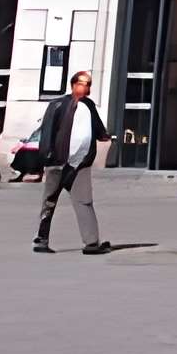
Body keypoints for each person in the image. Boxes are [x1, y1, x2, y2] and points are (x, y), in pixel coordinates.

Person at [33, 70, 114, 255]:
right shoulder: (58, 104)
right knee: (49, 201)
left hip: (80, 164)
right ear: (73, 85)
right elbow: (47, 131)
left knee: (84, 201)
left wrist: (105, 136)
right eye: (82, 83)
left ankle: (91, 243)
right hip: (58, 161)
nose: (86, 87)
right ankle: (41, 240)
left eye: (88, 84)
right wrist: (47, 157)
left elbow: (98, 129)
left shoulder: (88, 106)